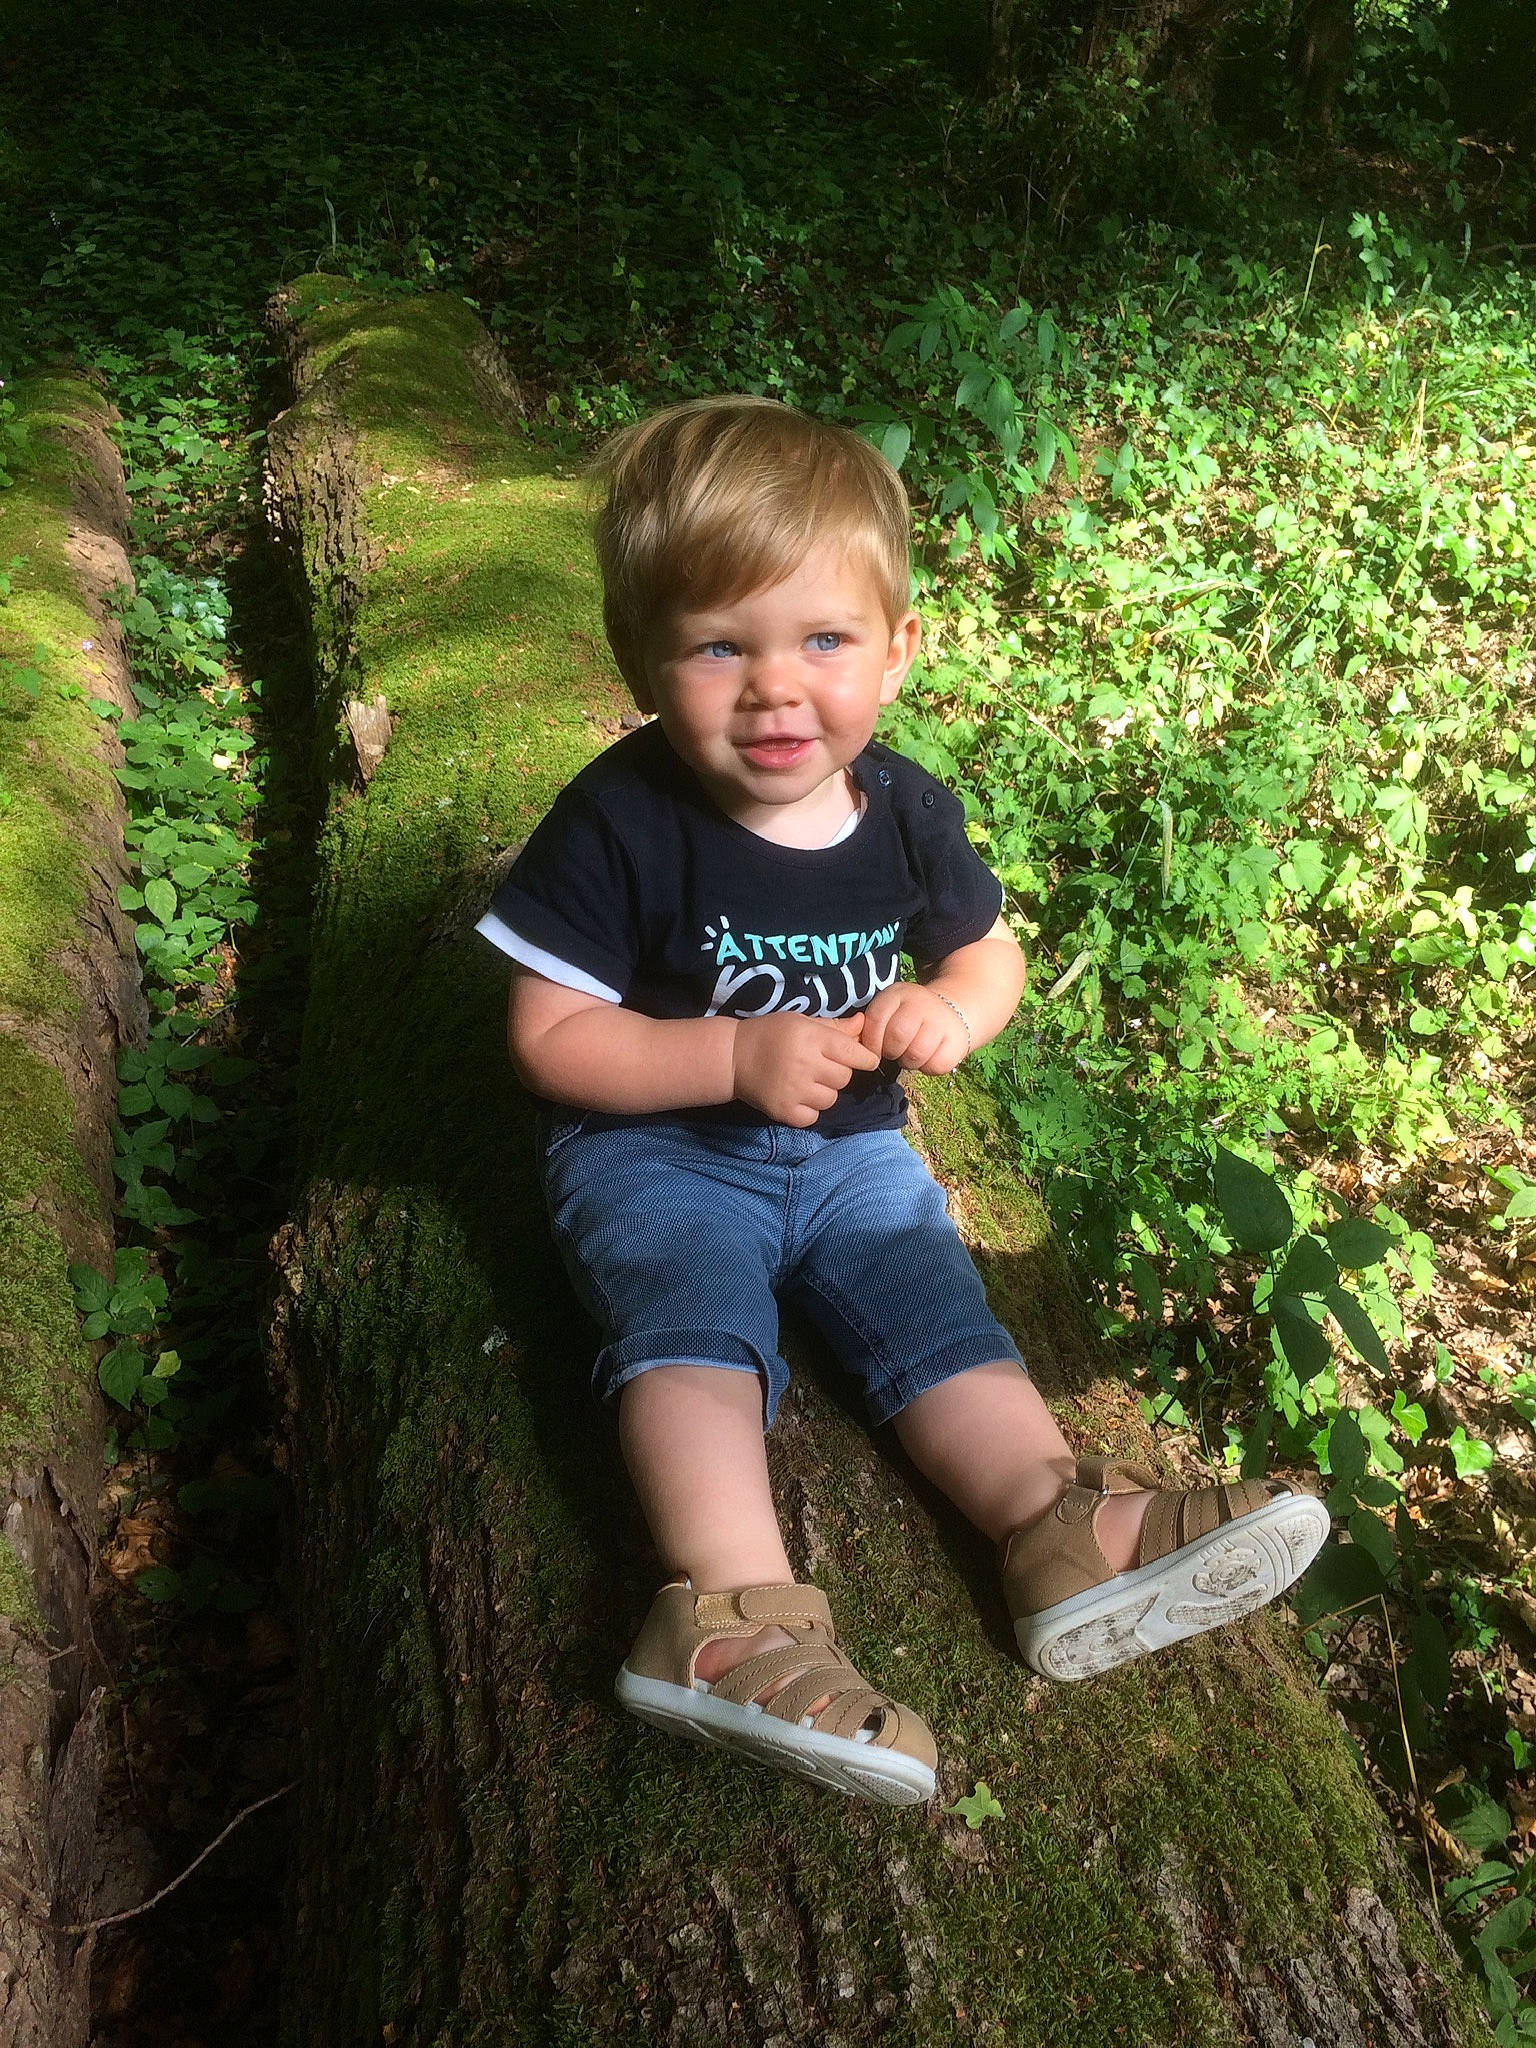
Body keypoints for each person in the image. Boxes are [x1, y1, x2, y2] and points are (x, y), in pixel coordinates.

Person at [477, 395, 1329, 1807]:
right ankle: (729, 1615)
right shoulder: (620, 819)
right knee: (695, 1327)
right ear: (642, 660)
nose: (774, 691)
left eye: (822, 640)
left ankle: (1061, 1529)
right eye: (715, 647)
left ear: (898, 648)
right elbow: (549, 1033)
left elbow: (987, 948)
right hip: (658, 1156)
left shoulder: (905, 811)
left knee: (938, 1311)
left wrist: (955, 1009)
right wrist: (728, 1062)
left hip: (856, 1155)